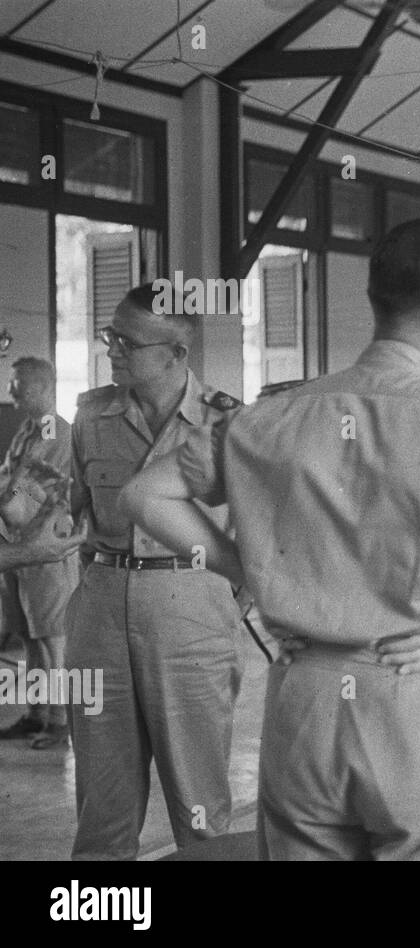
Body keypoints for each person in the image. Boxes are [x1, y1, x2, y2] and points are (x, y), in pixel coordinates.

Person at [121, 220, 420, 860]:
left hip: (305, 697)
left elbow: (145, 495)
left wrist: (249, 570)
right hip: (419, 688)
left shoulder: (271, 416)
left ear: (373, 299)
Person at [65, 285, 245, 860]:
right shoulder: (90, 415)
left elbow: (261, 540)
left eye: (127, 342)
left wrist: (224, 609)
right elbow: (67, 508)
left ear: (176, 353)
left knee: (200, 807)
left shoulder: (228, 423)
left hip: (193, 615)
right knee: (102, 805)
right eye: (110, 336)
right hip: (100, 614)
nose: (112, 349)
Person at [0, 358, 80, 749]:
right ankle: (36, 713)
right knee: (31, 638)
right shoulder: (28, 429)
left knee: (52, 638)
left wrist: (9, 488)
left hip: (45, 546)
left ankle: (60, 720)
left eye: (19, 384)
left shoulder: (57, 432)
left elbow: (26, 490)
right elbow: (10, 481)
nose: (10, 390)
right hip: (18, 547)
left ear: (45, 387)